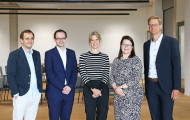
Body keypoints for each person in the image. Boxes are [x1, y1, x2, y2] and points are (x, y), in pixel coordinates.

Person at [144, 16, 181, 120]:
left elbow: (176, 66)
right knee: (155, 117)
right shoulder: (146, 45)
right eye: (150, 25)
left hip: (166, 87)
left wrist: (176, 87)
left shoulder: (171, 42)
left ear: (160, 26)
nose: (153, 27)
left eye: (155, 24)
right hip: (151, 87)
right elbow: (146, 68)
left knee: (166, 117)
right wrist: (146, 88)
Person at [7, 29, 43, 120]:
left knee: (31, 118)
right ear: (21, 40)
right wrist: (15, 92)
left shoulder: (37, 54)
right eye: (27, 38)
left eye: (32, 38)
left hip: (35, 93)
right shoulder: (14, 55)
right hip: (21, 94)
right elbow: (10, 75)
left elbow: (39, 73)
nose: (30, 41)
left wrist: (40, 90)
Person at [45, 29, 78, 120]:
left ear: (66, 39)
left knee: (66, 118)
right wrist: (63, 87)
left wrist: (70, 86)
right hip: (54, 92)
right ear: (55, 39)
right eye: (58, 38)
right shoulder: (49, 53)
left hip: (69, 92)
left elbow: (74, 72)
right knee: (54, 118)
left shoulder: (71, 53)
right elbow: (49, 73)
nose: (61, 40)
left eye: (63, 38)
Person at [109, 35, 144, 120]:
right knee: (119, 117)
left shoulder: (136, 60)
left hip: (132, 95)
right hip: (118, 95)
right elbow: (111, 76)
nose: (126, 47)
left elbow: (136, 78)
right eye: (124, 44)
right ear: (120, 45)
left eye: (129, 45)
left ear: (132, 47)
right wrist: (116, 88)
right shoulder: (116, 60)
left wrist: (120, 87)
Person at [79, 31, 110, 120]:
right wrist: (93, 89)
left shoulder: (105, 56)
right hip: (89, 88)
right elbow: (83, 73)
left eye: (96, 40)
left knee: (102, 115)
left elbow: (105, 74)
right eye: (92, 40)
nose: (95, 42)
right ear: (89, 42)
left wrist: (98, 89)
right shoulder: (83, 56)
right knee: (90, 115)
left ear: (100, 41)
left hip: (102, 87)